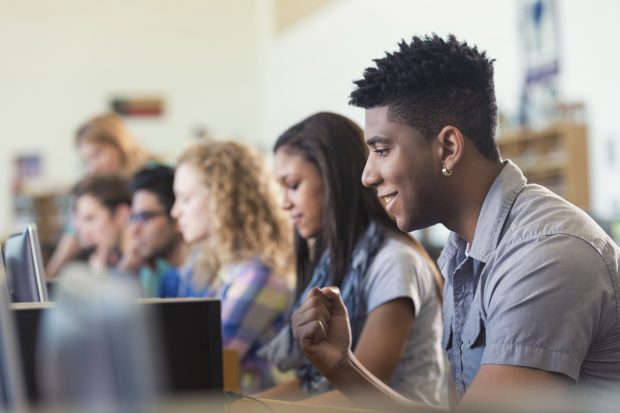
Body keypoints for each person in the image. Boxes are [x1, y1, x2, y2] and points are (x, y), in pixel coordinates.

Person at [291, 34, 620, 410]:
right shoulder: (462, 250)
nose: (368, 175)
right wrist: (344, 368)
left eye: (382, 150)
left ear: (448, 147)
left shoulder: (546, 254)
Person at [257, 112, 445, 406]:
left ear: (335, 180)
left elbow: (359, 393)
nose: (284, 202)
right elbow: (313, 387)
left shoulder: (395, 261)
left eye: (293, 185)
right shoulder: (333, 260)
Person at [170, 140, 293, 392]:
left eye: (185, 199)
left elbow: (204, 362)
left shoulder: (260, 274)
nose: (175, 212)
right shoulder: (213, 264)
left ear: (221, 200)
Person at [46, 113, 155, 279]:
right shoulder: (102, 187)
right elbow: (73, 234)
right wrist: (48, 278)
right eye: (86, 160)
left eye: (97, 155)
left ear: (120, 147)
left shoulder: (149, 178)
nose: (92, 167)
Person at [117, 165, 189, 297]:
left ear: (176, 217)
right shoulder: (170, 279)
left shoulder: (203, 281)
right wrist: (126, 277)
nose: (134, 230)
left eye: (145, 217)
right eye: (133, 218)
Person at [71, 174, 131, 275]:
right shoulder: (116, 261)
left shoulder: (146, 265)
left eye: (89, 219)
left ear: (121, 215)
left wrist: (101, 277)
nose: (84, 232)